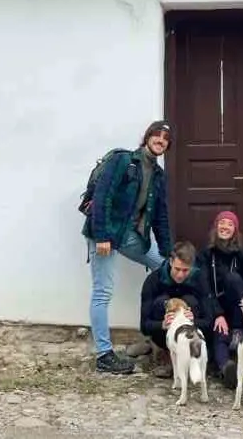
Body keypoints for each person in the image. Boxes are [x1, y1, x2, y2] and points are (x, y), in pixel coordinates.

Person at [82, 120, 173, 374]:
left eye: (166, 139)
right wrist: (102, 236)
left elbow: (161, 216)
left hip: (130, 236)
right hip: (105, 233)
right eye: (157, 135)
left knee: (168, 269)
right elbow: (103, 197)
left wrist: (168, 251)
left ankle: (155, 338)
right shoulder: (123, 161)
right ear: (147, 137)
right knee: (103, 291)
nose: (161, 140)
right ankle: (104, 355)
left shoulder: (158, 175)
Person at [197, 210, 243, 388]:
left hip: (238, 311)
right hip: (216, 307)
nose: (225, 227)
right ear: (216, 227)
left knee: (233, 279)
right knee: (220, 332)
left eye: (230, 224)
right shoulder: (206, 255)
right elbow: (205, 287)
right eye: (222, 223)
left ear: (235, 229)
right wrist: (218, 314)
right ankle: (226, 368)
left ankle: (237, 330)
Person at [140, 240, 213, 366]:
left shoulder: (200, 279)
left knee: (190, 301)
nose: (180, 275)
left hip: (190, 337)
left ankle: (189, 356)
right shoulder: (153, 280)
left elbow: (209, 321)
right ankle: (163, 351)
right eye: (177, 269)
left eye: (185, 270)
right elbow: (144, 326)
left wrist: (194, 321)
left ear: (192, 266)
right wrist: (162, 324)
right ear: (170, 262)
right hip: (164, 336)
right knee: (162, 301)